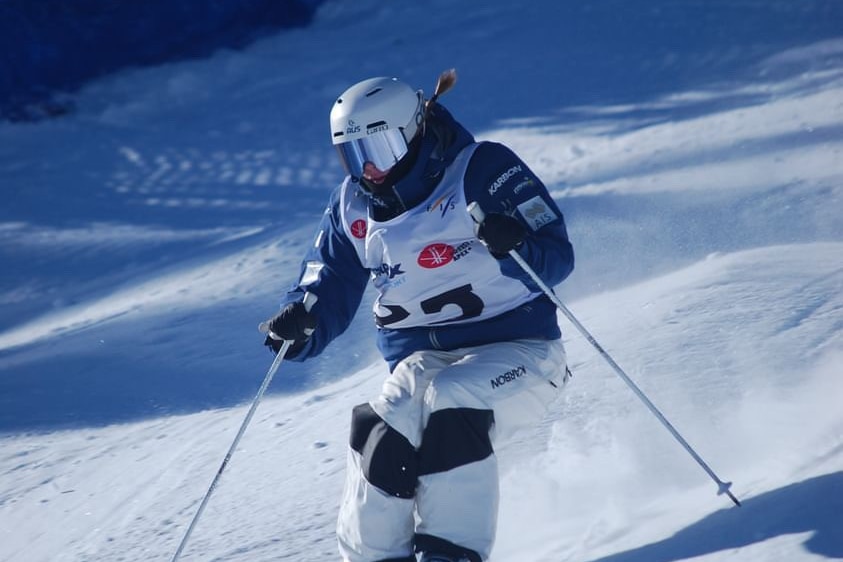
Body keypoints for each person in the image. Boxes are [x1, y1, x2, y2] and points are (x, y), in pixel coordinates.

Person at [263, 70, 575, 562]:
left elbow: (557, 255)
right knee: (383, 425)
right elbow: (328, 281)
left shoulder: (480, 169)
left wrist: (516, 244)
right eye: (354, 156)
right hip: (422, 361)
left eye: (379, 151)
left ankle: (450, 554)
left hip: (521, 354)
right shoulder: (351, 205)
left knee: (449, 402)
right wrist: (302, 320)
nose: (369, 172)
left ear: (414, 132)